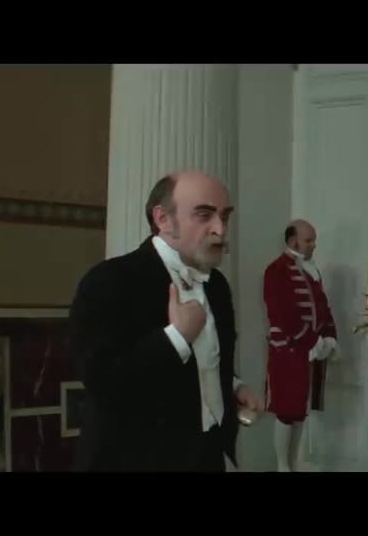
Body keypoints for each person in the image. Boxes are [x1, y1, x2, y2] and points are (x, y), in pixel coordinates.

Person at [69, 171, 264, 472]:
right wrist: (176, 337)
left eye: (224, 216)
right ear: (163, 219)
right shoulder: (109, 280)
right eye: (204, 215)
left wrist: (233, 386)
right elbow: (103, 381)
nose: (220, 229)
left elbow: (203, 364)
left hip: (208, 458)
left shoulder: (217, 285)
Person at [263, 219, 338, 472]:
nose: (313, 245)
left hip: (309, 352)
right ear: (292, 241)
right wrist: (312, 341)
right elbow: (283, 316)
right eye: (309, 240)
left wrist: (330, 337)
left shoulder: (311, 270)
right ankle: (282, 465)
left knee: (300, 409)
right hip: (288, 351)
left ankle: (293, 462)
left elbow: (323, 308)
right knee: (286, 410)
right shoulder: (276, 271)